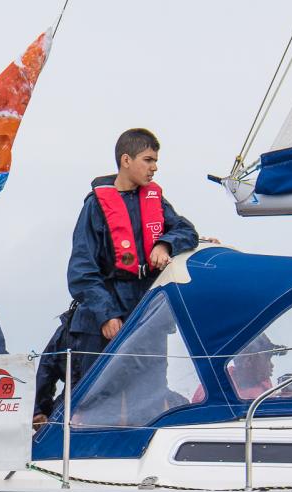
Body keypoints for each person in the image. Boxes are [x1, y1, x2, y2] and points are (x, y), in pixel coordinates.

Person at [66, 127, 198, 386]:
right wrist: (106, 314)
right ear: (126, 160)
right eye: (148, 160)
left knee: (150, 391)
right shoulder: (95, 206)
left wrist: (164, 244)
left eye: (155, 161)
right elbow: (81, 271)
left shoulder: (156, 201)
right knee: (99, 394)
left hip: (146, 312)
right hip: (104, 316)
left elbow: (187, 231)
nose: (154, 168)